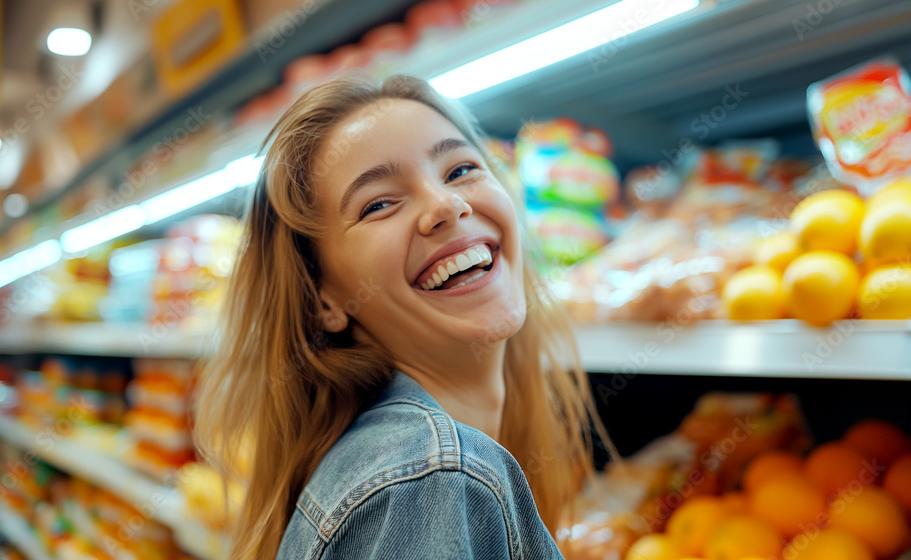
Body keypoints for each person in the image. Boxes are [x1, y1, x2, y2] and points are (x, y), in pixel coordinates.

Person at [193, 73, 612, 560]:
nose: (447, 205)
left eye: (460, 171)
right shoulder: (431, 482)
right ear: (323, 300)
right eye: (379, 204)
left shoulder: (412, 469)